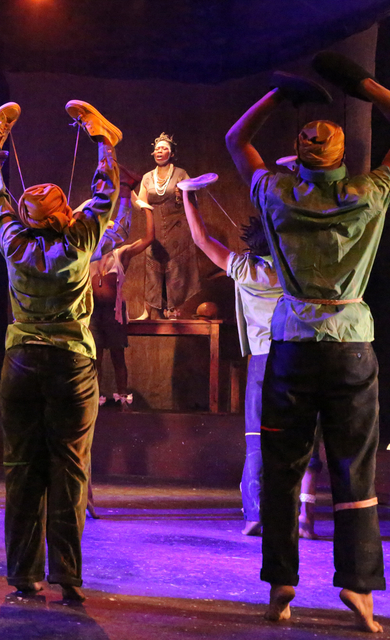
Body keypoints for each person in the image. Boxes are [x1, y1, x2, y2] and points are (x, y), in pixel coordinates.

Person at [225, 55, 390, 632]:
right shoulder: (368, 195)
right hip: (350, 345)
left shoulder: (275, 192)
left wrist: (281, 93)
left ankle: (283, 585)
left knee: (282, 465)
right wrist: (362, 85)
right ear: (342, 157)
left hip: (292, 343)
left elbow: (234, 138)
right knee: (354, 468)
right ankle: (361, 590)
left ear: (299, 155)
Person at [0, 99, 121, 602]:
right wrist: (104, 143)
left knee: (22, 468)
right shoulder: (81, 238)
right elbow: (106, 195)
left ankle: (24, 574)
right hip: (71, 364)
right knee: (70, 468)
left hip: (21, 361)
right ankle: (66, 575)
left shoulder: (14, 242)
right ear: (64, 215)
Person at [179, 177, 281, 537]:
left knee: (256, 438)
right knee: (297, 438)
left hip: (261, 361)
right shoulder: (294, 273)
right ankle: (300, 514)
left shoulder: (244, 268)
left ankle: (255, 513)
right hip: (295, 359)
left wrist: (188, 197)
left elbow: (201, 239)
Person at [88, 167, 154, 407]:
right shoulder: (89, 253)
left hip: (113, 313)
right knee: (94, 356)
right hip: (94, 312)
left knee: (117, 354)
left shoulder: (119, 253)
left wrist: (147, 210)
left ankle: (123, 394)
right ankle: (94, 394)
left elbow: (147, 240)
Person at [136, 133, 199, 318]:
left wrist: (183, 194)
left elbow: (192, 196)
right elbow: (141, 200)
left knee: (175, 267)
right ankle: (149, 310)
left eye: (164, 148)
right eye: (157, 149)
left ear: (171, 153)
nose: (159, 151)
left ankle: (173, 308)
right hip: (154, 226)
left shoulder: (180, 173)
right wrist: (135, 200)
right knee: (152, 265)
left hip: (176, 225)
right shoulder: (148, 177)